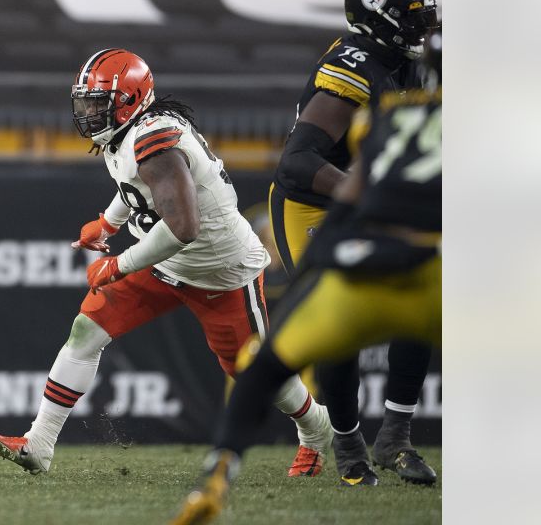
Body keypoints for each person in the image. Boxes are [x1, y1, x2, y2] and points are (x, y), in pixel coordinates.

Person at [0, 49, 332, 477]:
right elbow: (137, 185)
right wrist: (107, 223)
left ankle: (317, 429)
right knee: (87, 329)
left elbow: (183, 226)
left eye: (98, 103)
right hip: (165, 263)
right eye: (85, 102)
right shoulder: (133, 132)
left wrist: (118, 264)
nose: (89, 113)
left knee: (257, 373)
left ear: (130, 99)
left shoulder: (154, 142)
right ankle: (39, 444)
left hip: (218, 271)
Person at [172, 33, 442, 525]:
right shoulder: (364, 78)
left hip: (375, 238)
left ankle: (218, 473)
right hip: (336, 215)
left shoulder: (390, 121)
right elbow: (299, 164)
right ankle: (348, 447)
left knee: (267, 361)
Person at [267, 0, 440, 486]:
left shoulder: (415, 63)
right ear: (379, 17)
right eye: (412, 16)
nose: (424, 25)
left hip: (371, 196)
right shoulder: (355, 63)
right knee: (337, 325)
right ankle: (349, 449)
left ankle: (395, 438)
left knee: (420, 302)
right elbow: (296, 163)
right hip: (315, 203)